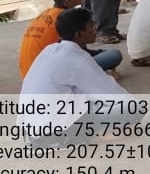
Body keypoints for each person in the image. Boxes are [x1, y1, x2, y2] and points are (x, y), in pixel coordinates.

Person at [18, 8, 135, 145]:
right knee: (129, 111)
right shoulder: (77, 59)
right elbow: (115, 95)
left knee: (89, 100)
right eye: (91, 26)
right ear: (79, 34)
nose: (95, 29)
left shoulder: (49, 50)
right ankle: (93, 136)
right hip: (52, 135)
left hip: (30, 133)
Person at [19, 0, 122, 79]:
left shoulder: (45, 13)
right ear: (68, 0)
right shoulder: (67, 20)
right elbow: (77, 54)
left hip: (28, 74)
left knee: (103, 54)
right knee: (113, 55)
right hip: (49, 74)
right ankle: (94, 75)